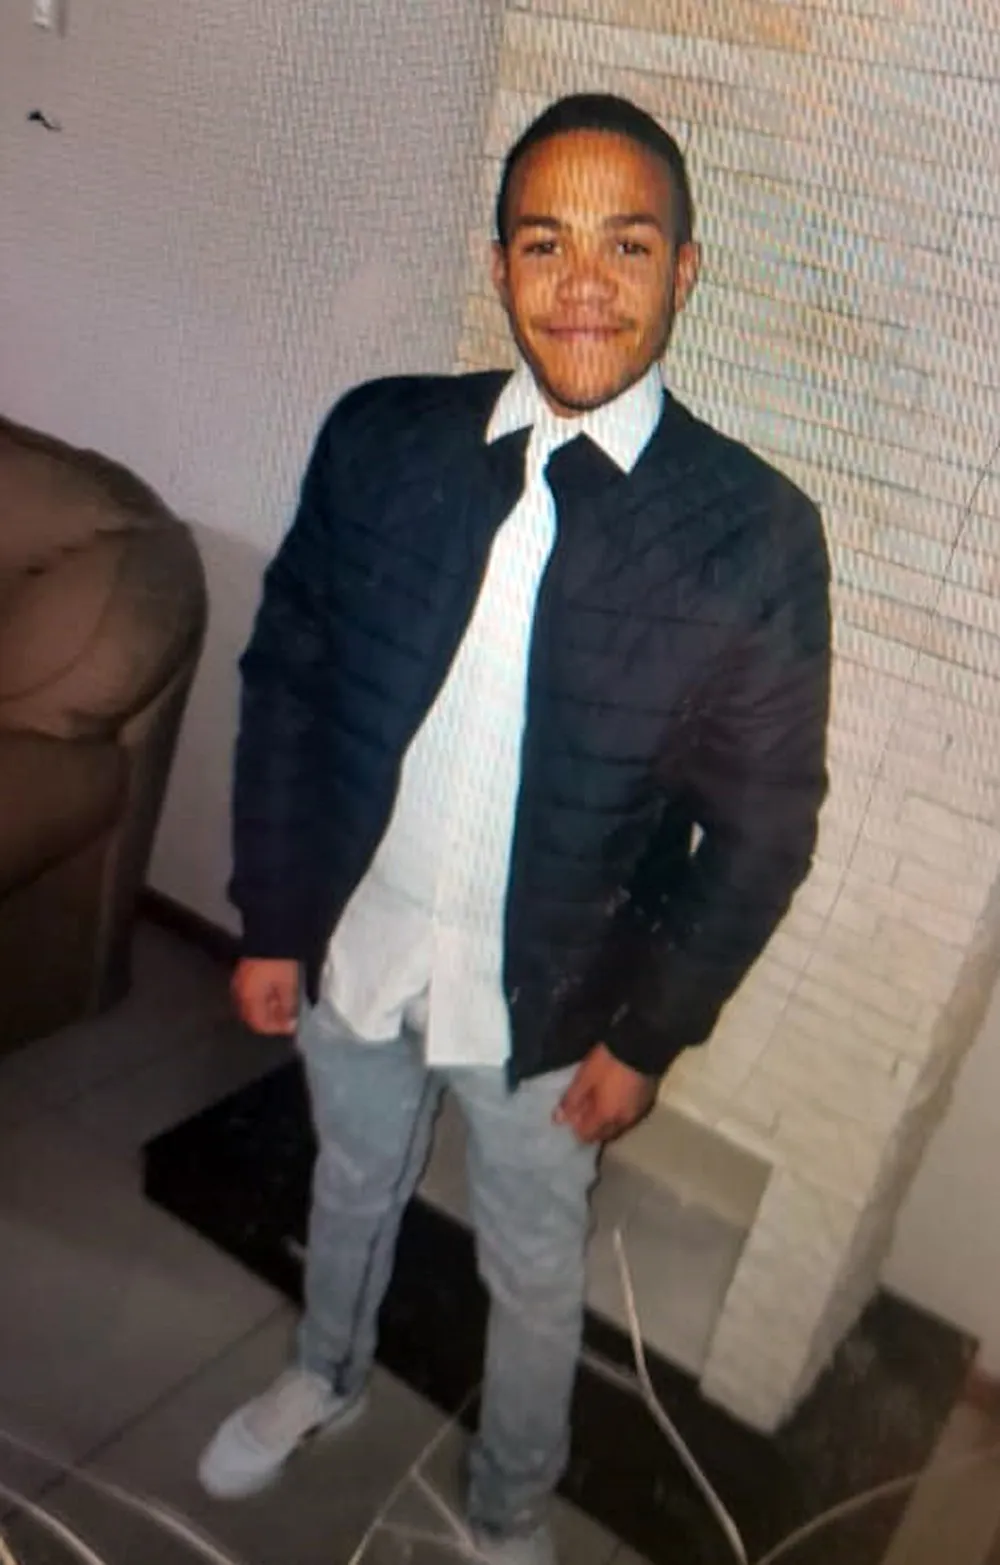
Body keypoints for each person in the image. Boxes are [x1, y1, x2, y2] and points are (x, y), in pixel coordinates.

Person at [197, 93, 831, 1564]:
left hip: (551, 1004)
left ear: (684, 270)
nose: (583, 283)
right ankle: (324, 1374)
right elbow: (289, 683)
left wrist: (648, 1035)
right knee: (350, 1180)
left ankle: (508, 1508)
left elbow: (758, 831)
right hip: (359, 943)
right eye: (546, 243)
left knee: (536, 1268)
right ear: (500, 267)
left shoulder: (752, 534)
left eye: (628, 244)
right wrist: (274, 916)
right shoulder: (384, 438)